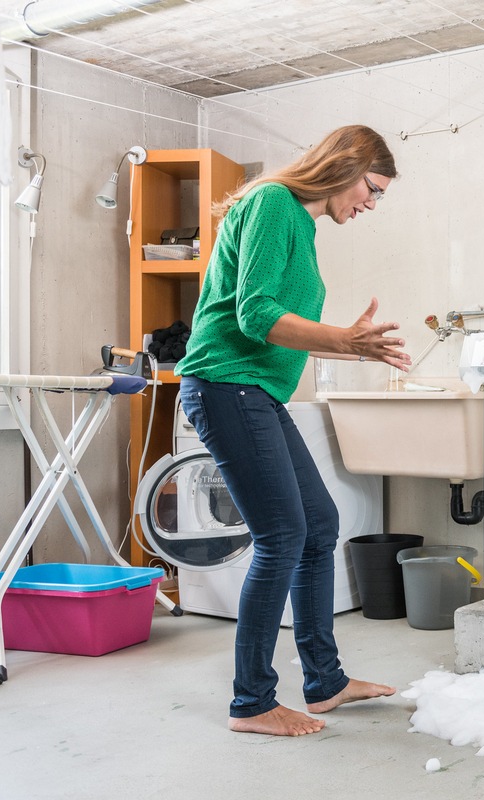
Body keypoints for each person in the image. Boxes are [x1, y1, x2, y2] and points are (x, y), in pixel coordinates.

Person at [174, 125, 412, 737]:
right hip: (227, 385)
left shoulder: (299, 224)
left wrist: (356, 349)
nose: (370, 204)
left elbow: (281, 324)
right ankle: (251, 703)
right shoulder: (272, 203)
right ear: (345, 166)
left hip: (255, 390)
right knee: (282, 535)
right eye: (372, 189)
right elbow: (255, 315)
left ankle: (324, 682)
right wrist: (343, 340)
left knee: (318, 526)